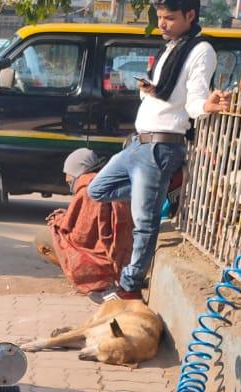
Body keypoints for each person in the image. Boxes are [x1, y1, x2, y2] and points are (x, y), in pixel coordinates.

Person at [85, 0, 229, 304]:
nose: (163, 24)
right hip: (138, 143)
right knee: (97, 189)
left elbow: (195, 98)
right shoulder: (171, 47)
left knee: (144, 221)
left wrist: (207, 106)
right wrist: (148, 88)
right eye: (160, 17)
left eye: (170, 18)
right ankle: (160, 188)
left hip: (161, 145)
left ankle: (129, 286)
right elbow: (164, 91)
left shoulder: (201, 50)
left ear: (190, 16)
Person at [34, 149, 135, 294]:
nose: (67, 181)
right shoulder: (107, 179)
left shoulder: (87, 188)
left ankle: (88, 279)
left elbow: (80, 236)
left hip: (106, 260)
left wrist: (57, 222)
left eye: (69, 178)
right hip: (124, 256)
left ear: (77, 172)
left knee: (41, 239)